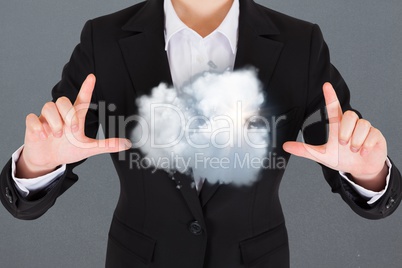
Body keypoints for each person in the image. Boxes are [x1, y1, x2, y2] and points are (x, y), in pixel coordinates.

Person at [1, 0, 401, 267]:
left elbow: (343, 148)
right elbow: (50, 156)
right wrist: (37, 165)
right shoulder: (103, 39)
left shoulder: (300, 43)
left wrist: (369, 175)